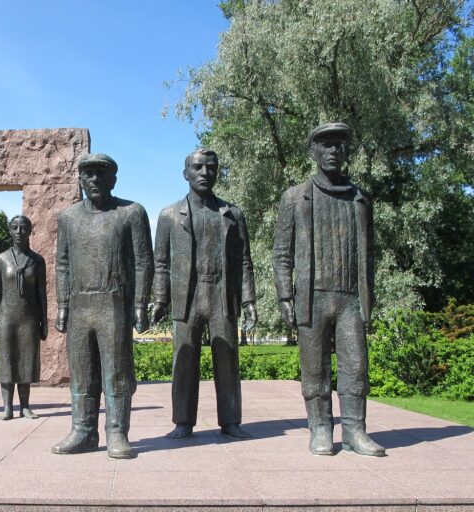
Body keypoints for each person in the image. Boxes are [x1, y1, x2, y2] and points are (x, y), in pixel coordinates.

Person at [273, 122, 385, 457]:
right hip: (312, 297)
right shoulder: (295, 197)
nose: (334, 150)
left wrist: (370, 297)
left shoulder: (361, 199)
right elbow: (282, 253)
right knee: (315, 369)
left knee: (356, 367)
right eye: (327, 144)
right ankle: (320, 429)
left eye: (340, 144)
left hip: (350, 297)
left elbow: (368, 254)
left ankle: (355, 430)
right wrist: (284, 296)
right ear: (313, 151)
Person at [51, 153, 154, 459]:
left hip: (114, 302)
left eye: (101, 173)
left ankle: (117, 432)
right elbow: (63, 264)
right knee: (82, 371)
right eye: (88, 174)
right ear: (80, 180)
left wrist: (140, 304)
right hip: (81, 304)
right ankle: (82, 431)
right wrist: (63, 305)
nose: (94, 178)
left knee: (117, 371)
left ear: (113, 179)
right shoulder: (68, 217)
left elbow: (143, 261)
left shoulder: (131, 212)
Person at [152, 148, 257, 440]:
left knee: (227, 359)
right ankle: (183, 421)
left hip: (222, 294)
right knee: (184, 361)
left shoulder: (232, 214)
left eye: (211, 168)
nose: (204, 173)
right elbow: (160, 262)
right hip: (187, 296)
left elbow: (245, 262)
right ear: (186, 174)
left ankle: (231, 420)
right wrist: (161, 299)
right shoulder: (169, 215)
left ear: (217, 172)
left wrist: (249, 300)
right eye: (198, 167)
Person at [0, 215, 48, 420]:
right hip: (7, 317)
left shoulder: (37, 260)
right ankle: (7, 407)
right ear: (9, 230)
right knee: (6, 361)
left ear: (30, 231)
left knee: (27, 361)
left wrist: (44, 321)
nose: (19, 232)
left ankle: (25, 406)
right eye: (14, 228)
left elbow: (42, 293)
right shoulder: (1, 259)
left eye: (23, 228)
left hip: (29, 318)